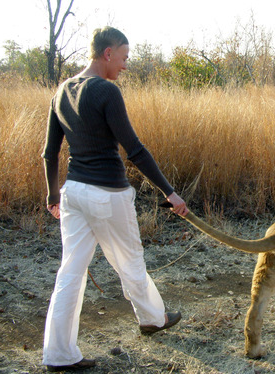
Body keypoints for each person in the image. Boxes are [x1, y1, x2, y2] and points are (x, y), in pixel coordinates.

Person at [41, 26, 188, 372]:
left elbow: (49, 153)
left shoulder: (61, 91)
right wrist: (169, 191)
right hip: (107, 193)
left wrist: (52, 195)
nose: (124, 66)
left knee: (70, 273)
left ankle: (59, 355)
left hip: (73, 193)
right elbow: (134, 150)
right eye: (123, 58)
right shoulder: (105, 91)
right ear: (107, 53)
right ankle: (153, 318)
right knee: (130, 262)